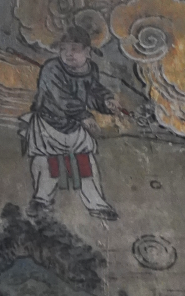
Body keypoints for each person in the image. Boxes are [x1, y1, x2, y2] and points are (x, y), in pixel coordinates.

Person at [22, 26, 118, 220]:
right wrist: (84, 116)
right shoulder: (51, 69)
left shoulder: (90, 70)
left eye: (75, 49)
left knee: (86, 162)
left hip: (74, 127)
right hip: (49, 124)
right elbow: (61, 98)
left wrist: (106, 101)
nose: (68, 54)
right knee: (47, 164)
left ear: (87, 52)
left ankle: (97, 204)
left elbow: (92, 92)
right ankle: (41, 201)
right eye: (64, 49)